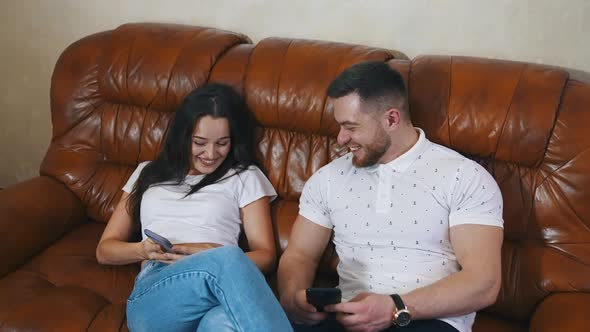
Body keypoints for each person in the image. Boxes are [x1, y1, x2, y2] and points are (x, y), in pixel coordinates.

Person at [278, 61, 504, 332]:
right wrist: (293, 297)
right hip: (345, 320)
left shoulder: (463, 176)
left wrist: (395, 306)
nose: (340, 139)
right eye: (339, 126)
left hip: (424, 321)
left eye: (351, 127)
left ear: (391, 119)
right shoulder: (328, 179)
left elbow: (484, 282)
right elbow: (300, 254)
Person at [96, 83, 292, 332]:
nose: (210, 154)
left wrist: (211, 253)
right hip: (157, 294)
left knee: (221, 323)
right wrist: (143, 250)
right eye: (200, 142)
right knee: (227, 259)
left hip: (219, 289)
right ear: (183, 136)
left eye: (222, 143)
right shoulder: (148, 173)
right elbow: (105, 251)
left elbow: (266, 256)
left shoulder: (245, 176)